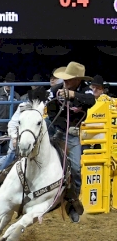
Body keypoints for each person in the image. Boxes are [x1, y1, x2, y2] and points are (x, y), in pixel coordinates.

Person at [46, 62, 96, 223]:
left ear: (78, 80)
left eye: (69, 79)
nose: (65, 82)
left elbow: (91, 100)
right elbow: (47, 103)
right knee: (28, 146)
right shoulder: (56, 90)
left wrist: (74, 95)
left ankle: (73, 204)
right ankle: (0, 173)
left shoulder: (85, 90)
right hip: (53, 127)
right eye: (65, 79)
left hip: (71, 134)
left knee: (75, 168)